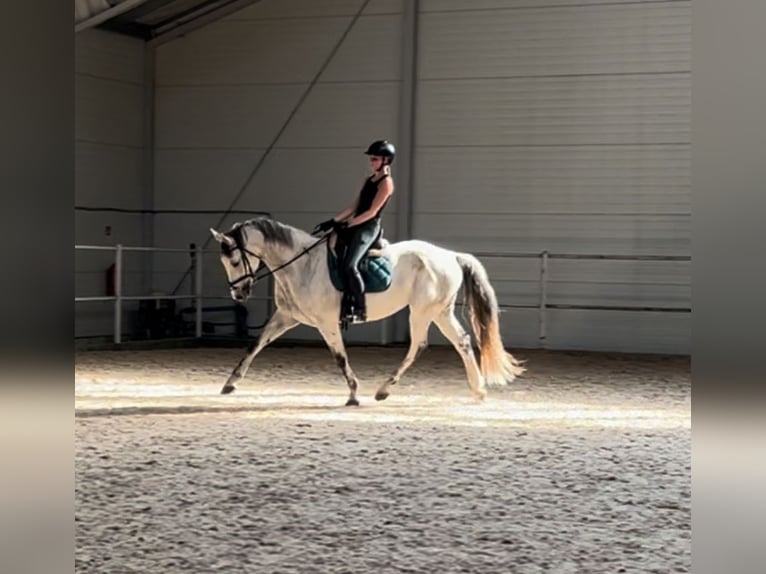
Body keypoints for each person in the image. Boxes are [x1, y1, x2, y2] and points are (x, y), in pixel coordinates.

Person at [313, 140, 396, 323]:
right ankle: (342, 301)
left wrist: (348, 224)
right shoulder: (368, 180)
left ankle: (360, 308)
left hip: (368, 227)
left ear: (385, 160)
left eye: (374, 159)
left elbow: (372, 212)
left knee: (351, 265)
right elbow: (354, 206)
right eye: (371, 159)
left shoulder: (386, 184)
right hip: (356, 223)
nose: (371, 162)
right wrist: (333, 221)